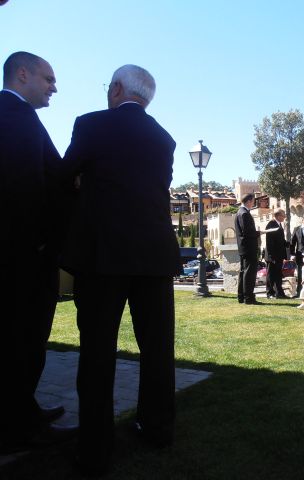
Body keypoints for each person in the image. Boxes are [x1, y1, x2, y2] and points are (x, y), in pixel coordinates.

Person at [60, 65, 180, 475]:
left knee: (97, 351)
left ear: (115, 90)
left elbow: (63, 176)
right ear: (146, 98)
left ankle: (95, 447)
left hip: (103, 256)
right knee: (157, 348)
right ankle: (157, 427)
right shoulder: (164, 138)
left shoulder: (91, 125)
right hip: (154, 256)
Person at [0, 51, 77, 453]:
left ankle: (22, 410)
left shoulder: (21, 117)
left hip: (25, 254)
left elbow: (54, 173)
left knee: (23, 343)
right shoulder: (11, 117)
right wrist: (42, 241)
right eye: (48, 79)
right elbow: (27, 186)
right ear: (23, 74)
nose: (54, 87)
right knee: (22, 343)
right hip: (22, 259)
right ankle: (17, 428)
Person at [235, 193, 262, 304]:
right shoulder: (244, 213)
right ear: (249, 201)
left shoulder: (239, 212)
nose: (253, 203)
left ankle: (241, 296)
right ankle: (248, 297)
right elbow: (247, 232)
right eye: (253, 201)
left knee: (243, 272)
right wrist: (258, 233)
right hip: (248, 247)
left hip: (243, 247)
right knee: (249, 273)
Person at [265, 209, 288, 298]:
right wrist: (271, 257)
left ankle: (279, 293)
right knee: (270, 275)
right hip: (273, 256)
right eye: (283, 215)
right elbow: (269, 242)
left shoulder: (279, 225)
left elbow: (280, 240)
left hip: (279, 255)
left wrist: (286, 243)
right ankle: (270, 293)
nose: (284, 217)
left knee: (278, 275)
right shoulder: (271, 224)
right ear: (278, 216)